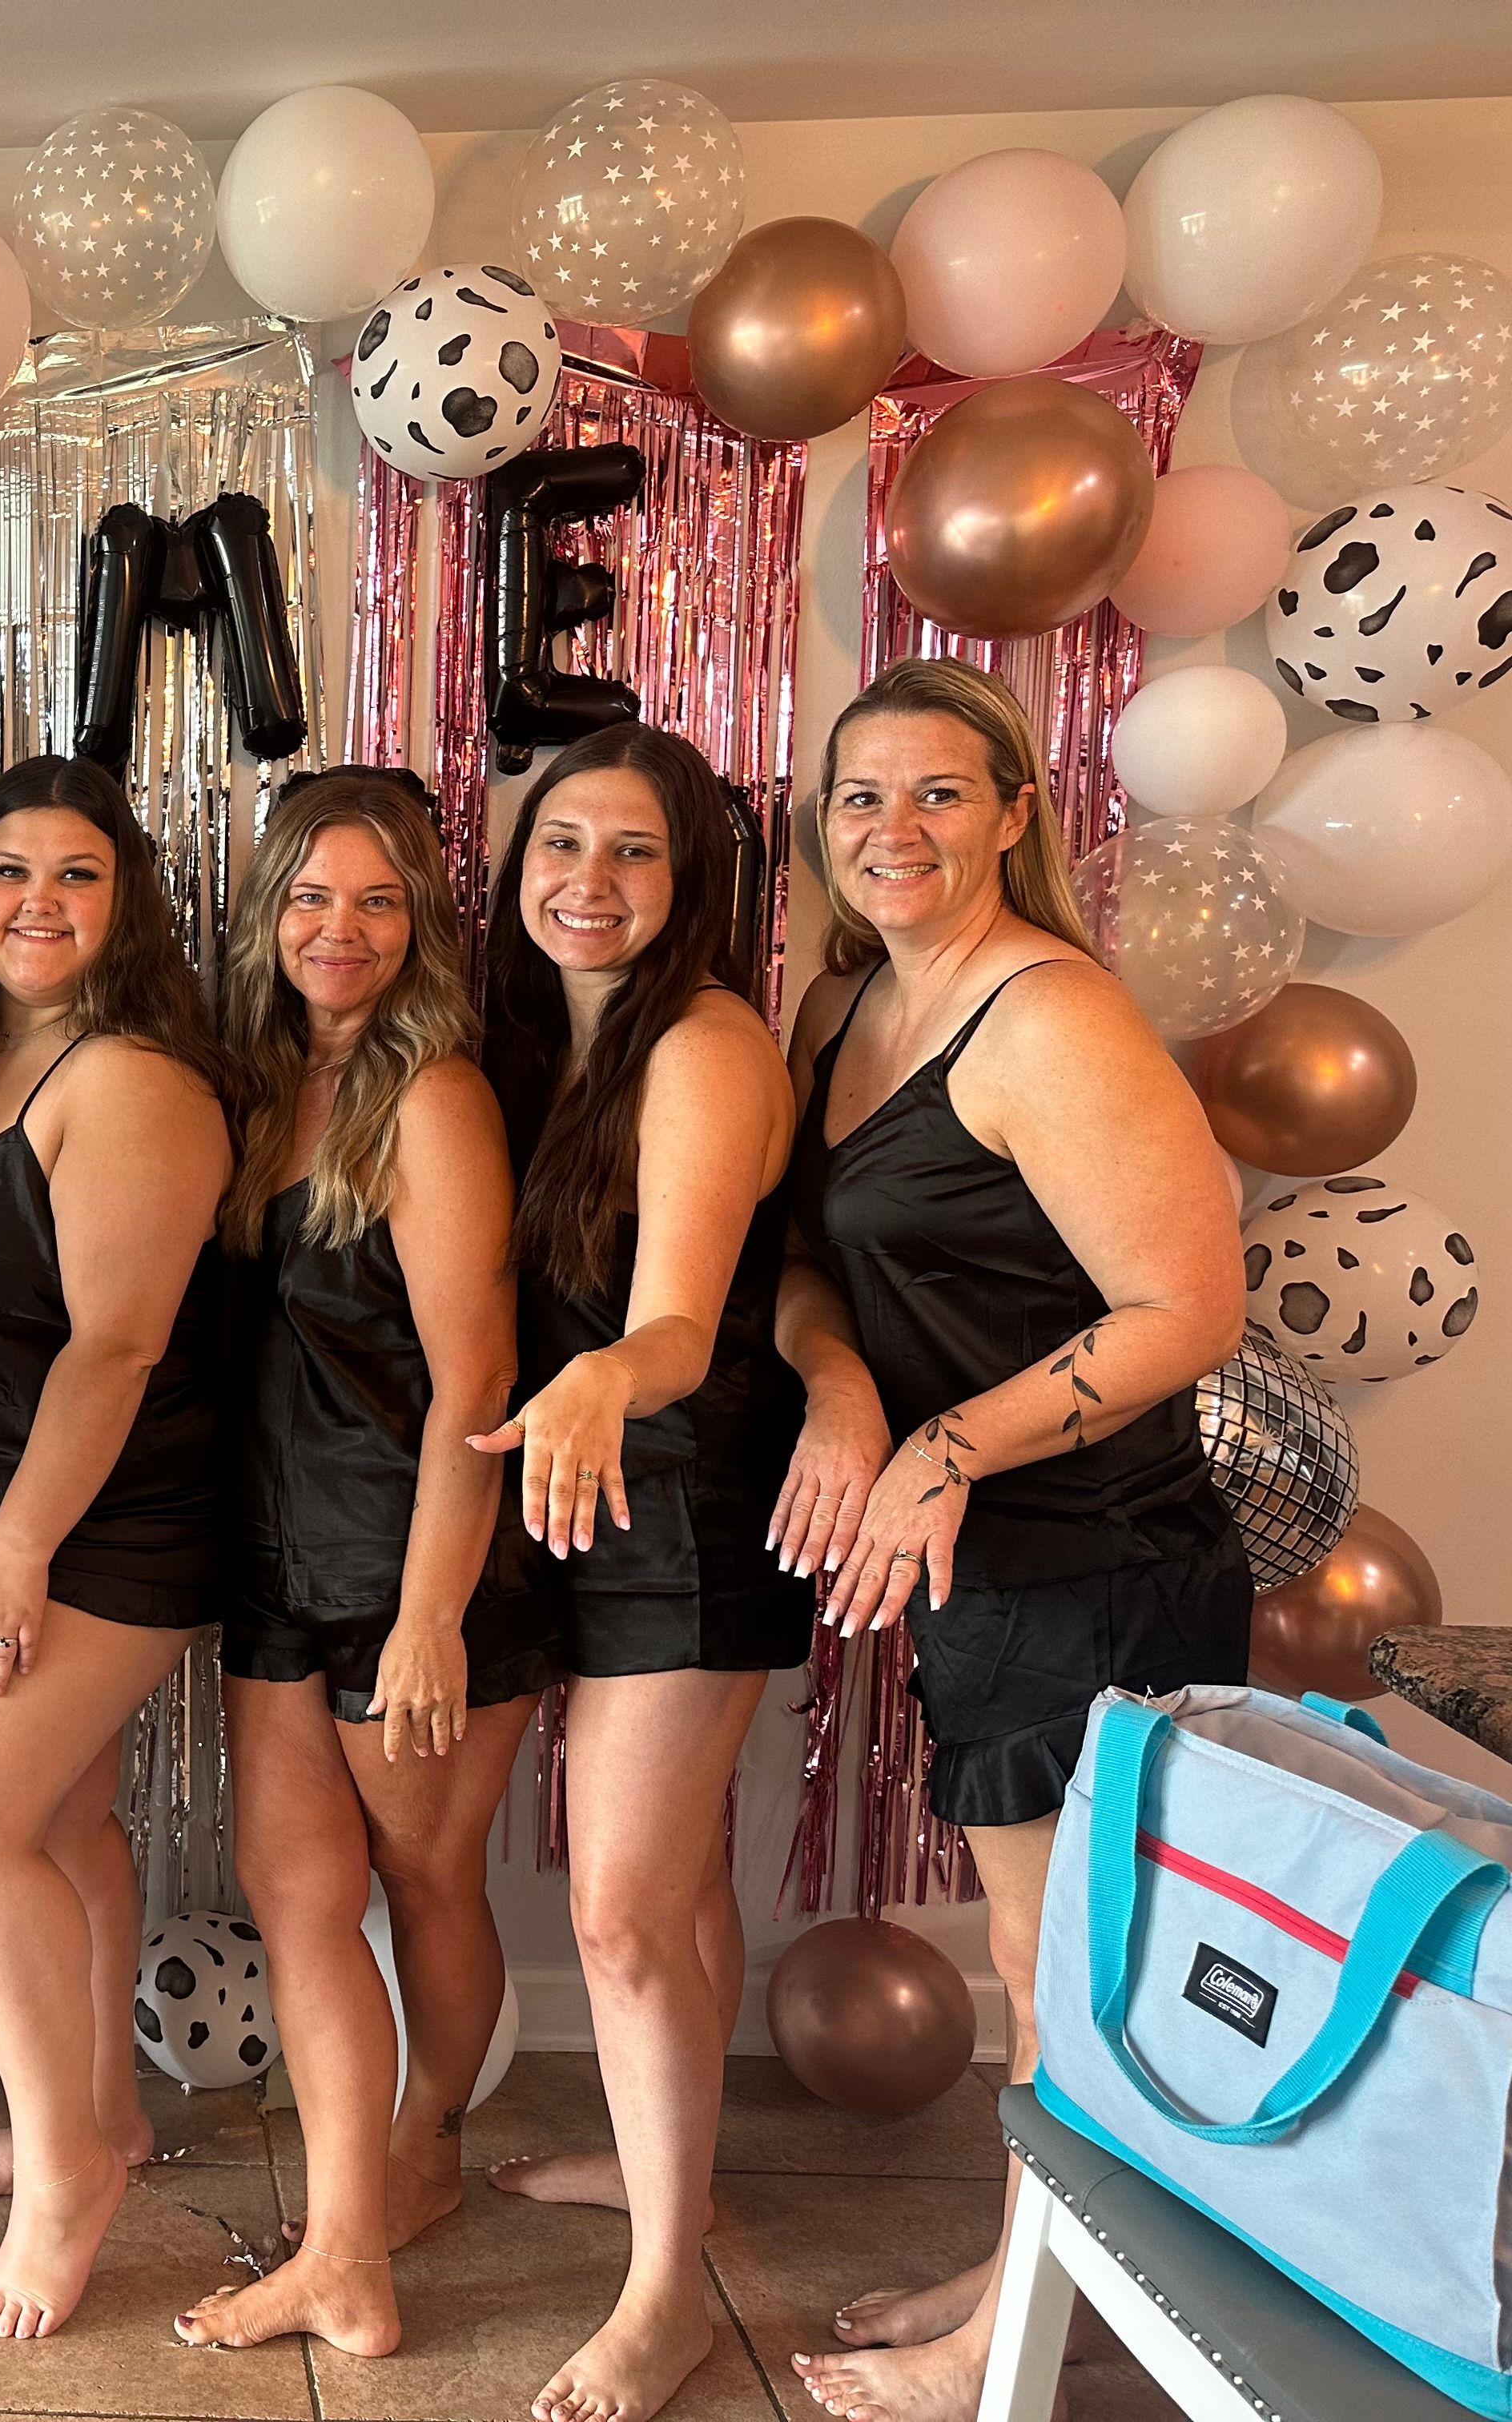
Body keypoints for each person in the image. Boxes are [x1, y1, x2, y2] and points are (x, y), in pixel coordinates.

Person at [779, 660, 1248, 2422]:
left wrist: (949, 1445)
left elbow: (1188, 1307)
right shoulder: (849, 1011)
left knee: (1064, 1984)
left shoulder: (1050, 1016)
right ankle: (1024, 2269)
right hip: (971, 1546)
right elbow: (812, 1269)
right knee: (1029, 1967)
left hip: (1100, 1553)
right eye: (860, 799)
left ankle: (1014, 2357)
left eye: (938, 794)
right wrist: (845, 1398)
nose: (894, 830)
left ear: (1016, 813)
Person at [171, 769, 553, 2359]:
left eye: (379, 900)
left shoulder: (436, 1098)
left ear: (422, 926)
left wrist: (430, 1619)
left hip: (414, 1569)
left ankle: (423, 2153)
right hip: (272, 1565)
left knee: (423, 1880)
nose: (342, 930)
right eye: (313, 897)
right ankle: (346, 2253)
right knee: (296, 1896)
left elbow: (479, 1384)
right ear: (269, 917)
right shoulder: (254, 1088)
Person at [464, 722, 815, 2422]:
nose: (587, 883)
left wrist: (602, 1374)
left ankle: (666, 2293)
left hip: (682, 1503)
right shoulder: (560, 1043)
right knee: (669, 1892)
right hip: (595, 1498)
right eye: (561, 847)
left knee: (616, 1908)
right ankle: (672, 2171)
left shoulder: (703, 1040)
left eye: (632, 854)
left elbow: (677, 1321)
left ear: (690, 886)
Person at [0, 754, 232, 2339]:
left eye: (79, 876)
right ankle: (105, 2108)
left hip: (98, 1525)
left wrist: (13, 1554)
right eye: (10, 873)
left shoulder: (131, 1078)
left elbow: (115, 1351)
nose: (40, 904)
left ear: (128, 904)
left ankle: (69, 2172)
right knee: (65, 1827)